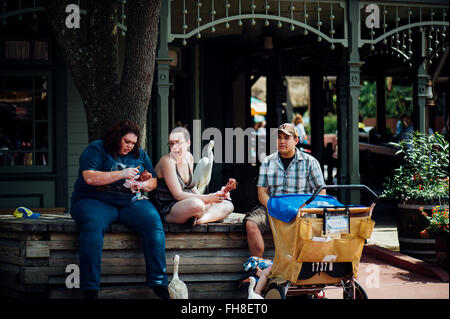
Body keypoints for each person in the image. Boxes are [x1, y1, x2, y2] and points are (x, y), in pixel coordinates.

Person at [70, 120, 169, 299]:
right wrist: (122, 173)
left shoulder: (139, 153)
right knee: (92, 226)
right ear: (117, 138)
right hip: (94, 200)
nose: (129, 146)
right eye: (126, 142)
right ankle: (90, 288)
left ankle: (159, 282)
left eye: (133, 143)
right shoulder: (97, 148)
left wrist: (144, 183)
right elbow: (90, 177)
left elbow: (153, 180)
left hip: (128, 202)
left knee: (153, 221)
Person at [244, 123, 326, 258]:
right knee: (251, 223)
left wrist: (304, 209)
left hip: (301, 209)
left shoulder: (310, 162)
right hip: (273, 206)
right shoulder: (267, 162)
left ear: (296, 140)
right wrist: (273, 207)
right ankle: (257, 266)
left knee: (310, 226)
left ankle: (301, 267)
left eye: (286, 138)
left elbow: (321, 192)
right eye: (279, 137)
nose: (282, 141)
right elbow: (261, 191)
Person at [151, 125, 234, 226]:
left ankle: (200, 221)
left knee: (228, 205)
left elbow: (191, 186)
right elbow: (178, 194)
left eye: (178, 143)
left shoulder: (189, 157)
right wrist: (207, 198)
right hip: (169, 209)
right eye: (171, 143)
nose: (174, 147)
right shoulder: (167, 161)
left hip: (188, 204)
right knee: (197, 205)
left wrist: (210, 199)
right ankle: (208, 216)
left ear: (188, 143)